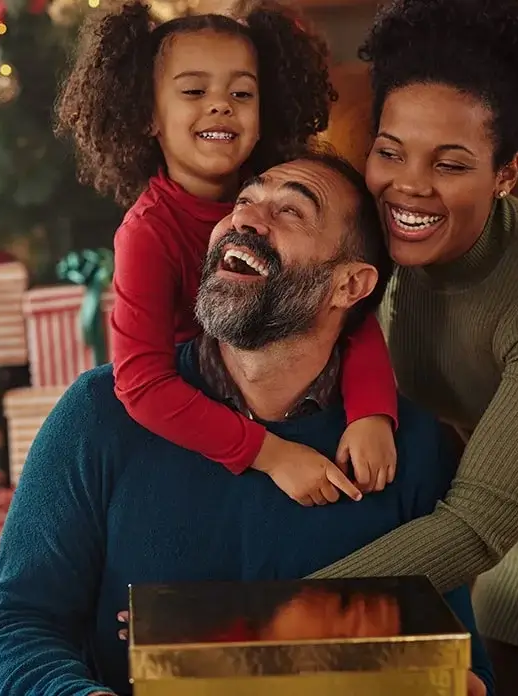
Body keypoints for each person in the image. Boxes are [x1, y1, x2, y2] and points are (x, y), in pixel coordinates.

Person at [0, 152, 493, 696]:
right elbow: (18, 622)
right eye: (244, 200)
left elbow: (464, 660)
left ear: (349, 286)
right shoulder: (96, 414)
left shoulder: (406, 446)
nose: (245, 218)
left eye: (292, 212)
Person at [54, 2, 398, 507]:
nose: (221, 105)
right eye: (194, 91)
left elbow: (346, 306)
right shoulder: (147, 232)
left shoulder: (288, 192)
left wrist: (372, 411)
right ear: (148, 114)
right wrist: (271, 455)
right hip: (202, 424)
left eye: (241, 93)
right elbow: (142, 383)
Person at [304, 1, 518, 691]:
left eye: (450, 163)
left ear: (504, 174)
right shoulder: (366, 238)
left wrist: (278, 607)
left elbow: (477, 525)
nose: (409, 185)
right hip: (494, 566)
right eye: (390, 151)